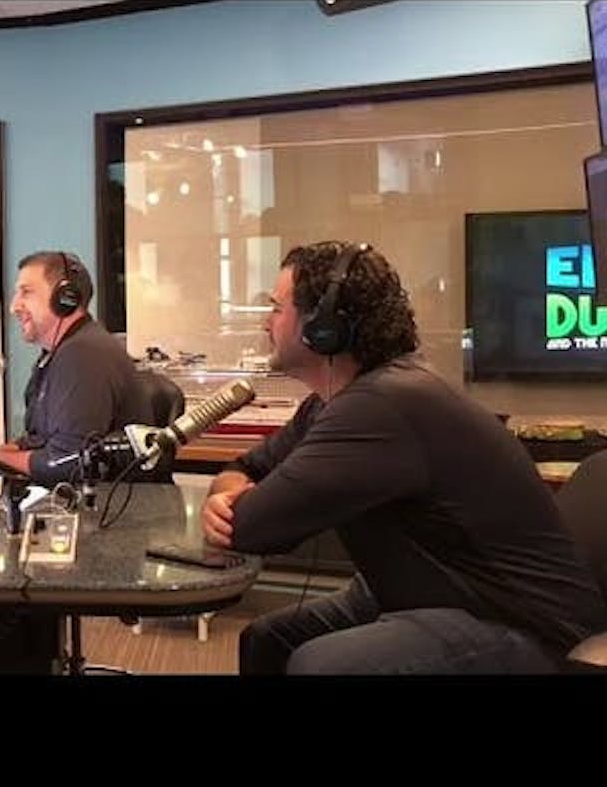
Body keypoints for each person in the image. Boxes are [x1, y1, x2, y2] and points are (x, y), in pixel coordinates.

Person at [200, 240, 607, 674]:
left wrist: (229, 511)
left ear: (323, 327)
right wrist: (225, 492)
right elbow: (245, 468)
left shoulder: (382, 405)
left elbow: (254, 527)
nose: (266, 322)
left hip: (522, 624)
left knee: (320, 665)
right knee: (267, 640)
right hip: (439, 592)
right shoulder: (331, 403)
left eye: (276, 308)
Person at [0, 250, 148, 486]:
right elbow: (40, 440)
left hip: (113, 514)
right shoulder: (58, 354)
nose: (14, 306)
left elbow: (67, 463)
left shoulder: (83, 355)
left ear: (65, 298)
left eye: (26, 292)